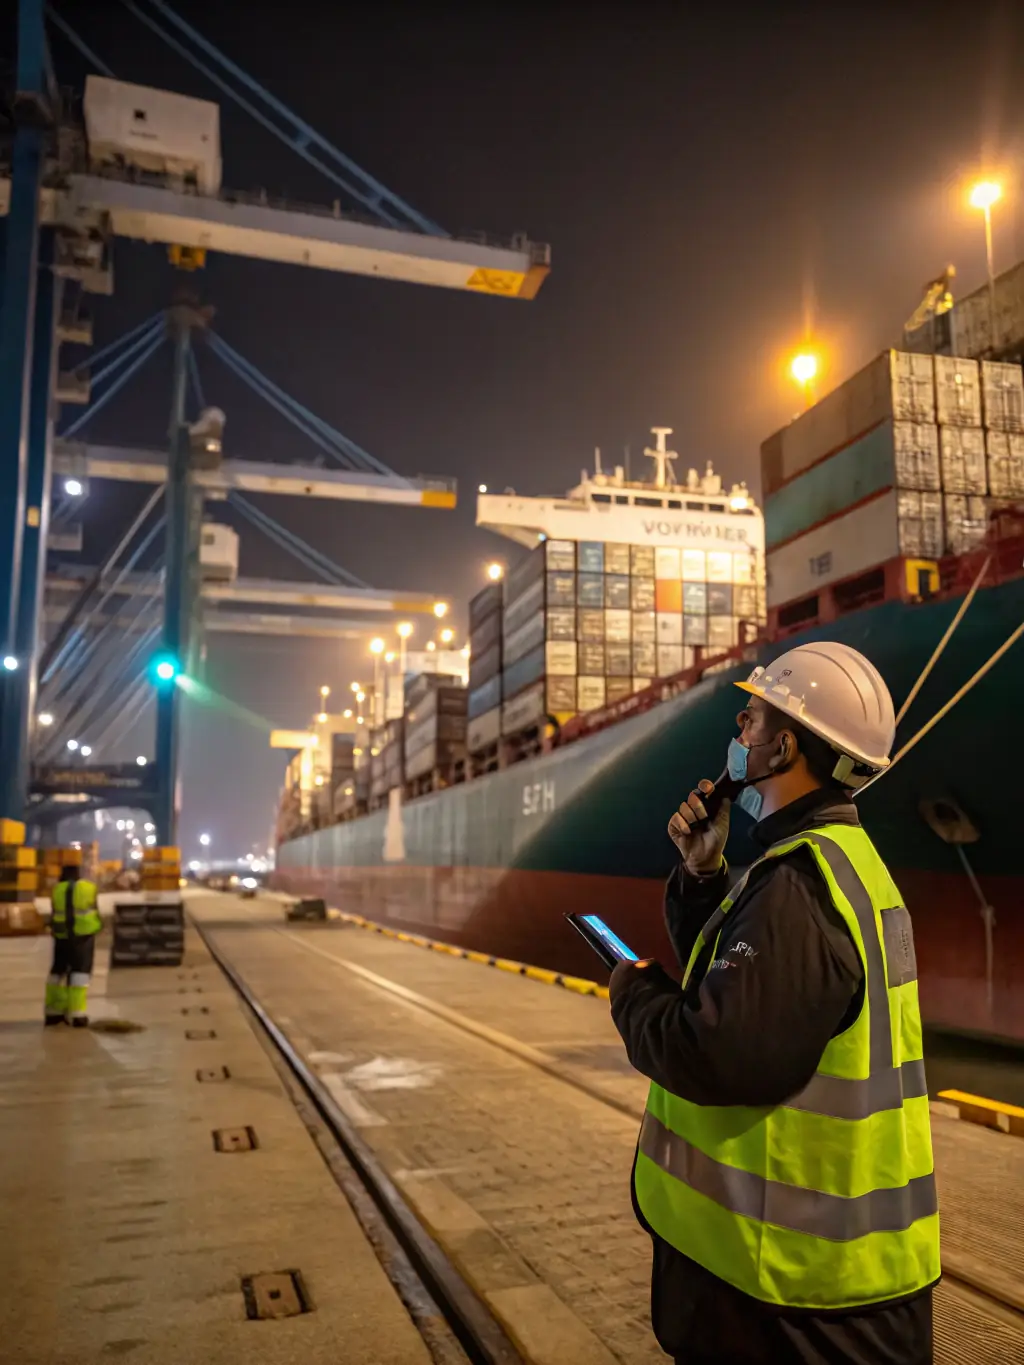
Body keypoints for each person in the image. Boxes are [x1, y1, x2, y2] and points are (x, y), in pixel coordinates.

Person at [609, 641, 939, 1365]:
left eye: (750, 720)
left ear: (783, 745)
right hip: (840, 1282)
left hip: (793, 1296)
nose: (737, 734)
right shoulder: (841, 865)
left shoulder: (799, 887)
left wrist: (633, 994)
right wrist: (703, 876)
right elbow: (757, 994)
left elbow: (719, 1054)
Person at [45, 863, 102, 1028]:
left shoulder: (57, 890)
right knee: (80, 973)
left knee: (58, 972)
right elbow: (96, 909)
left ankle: (54, 1011)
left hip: (61, 935)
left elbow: (54, 912)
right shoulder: (88, 888)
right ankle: (77, 1013)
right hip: (83, 936)